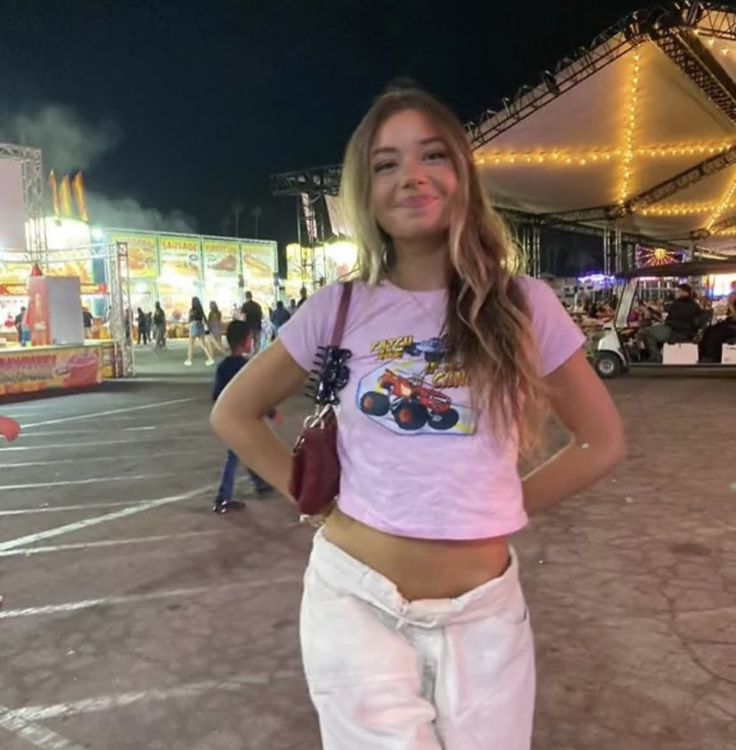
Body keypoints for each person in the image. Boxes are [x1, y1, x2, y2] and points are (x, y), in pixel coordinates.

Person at [211, 86, 626, 749]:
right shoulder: (336, 308)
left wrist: (501, 503)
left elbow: (600, 442)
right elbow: (235, 414)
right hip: (356, 601)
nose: (411, 176)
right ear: (365, 190)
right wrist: (318, 503)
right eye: (385, 163)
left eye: (432, 155)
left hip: (485, 614)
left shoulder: (525, 304)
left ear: (461, 174)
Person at [212, 320, 276, 512]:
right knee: (236, 454)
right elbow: (256, 394)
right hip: (242, 420)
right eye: (250, 338)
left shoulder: (223, 367)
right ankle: (222, 498)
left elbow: (216, 395)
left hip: (227, 418)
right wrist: (271, 412)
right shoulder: (246, 366)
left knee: (243, 450)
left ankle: (260, 484)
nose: (252, 341)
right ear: (245, 342)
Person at [643, 283, 702, 362]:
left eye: (678, 291)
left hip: (673, 330)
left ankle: (655, 356)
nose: (676, 293)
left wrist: (648, 307)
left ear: (685, 293)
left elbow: (661, 309)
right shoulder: (695, 306)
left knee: (648, 332)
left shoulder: (678, 303)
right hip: (687, 332)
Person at [185, 296, 214, 367]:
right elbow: (204, 319)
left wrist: (188, 325)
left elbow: (191, 320)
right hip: (201, 327)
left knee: (191, 344)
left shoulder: (192, 310)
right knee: (203, 344)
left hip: (194, 327)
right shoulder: (201, 310)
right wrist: (208, 328)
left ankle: (189, 360)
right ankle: (210, 358)